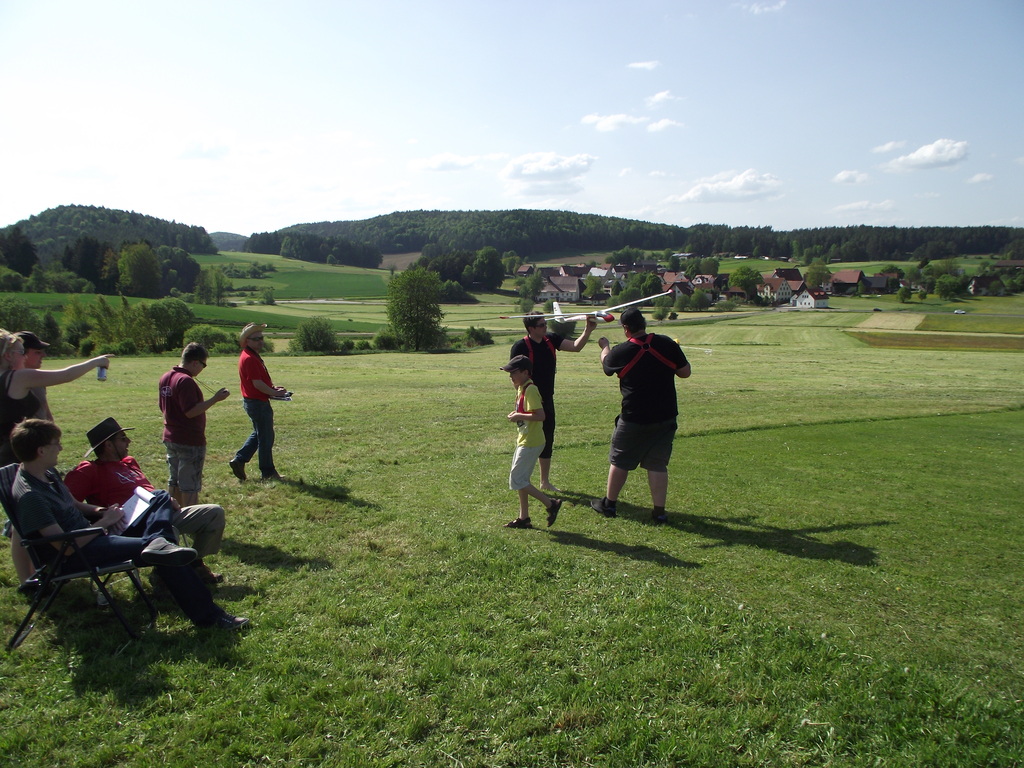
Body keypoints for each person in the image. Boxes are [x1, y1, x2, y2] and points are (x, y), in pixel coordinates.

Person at [8, 419, 247, 630]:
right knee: (162, 555)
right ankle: (210, 617)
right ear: (41, 450)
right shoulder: (32, 496)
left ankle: (159, 541)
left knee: (159, 496)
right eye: (56, 444)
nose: (61, 448)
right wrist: (103, 523)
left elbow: (73, 504)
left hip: (92, 536)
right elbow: (65, 548)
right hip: (78, 552)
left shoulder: (45, 474)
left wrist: (101, 511)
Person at [1, 329, 110, 588]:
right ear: (7, 356)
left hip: (6, 455)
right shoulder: (16, 377)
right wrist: (95, 361)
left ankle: (29, 577)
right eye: (20, 352)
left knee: (19, 521)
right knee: (22, 523)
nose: (23, 357)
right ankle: (31, 577)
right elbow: (64, 375)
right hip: (22, 455)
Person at [64, 417, 228, 584]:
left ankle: (194, 563)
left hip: (161, 513)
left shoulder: (129, 463)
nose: (129, 441)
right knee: (169, 528)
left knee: (214, 513)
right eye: (122, 438)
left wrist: (165, 499)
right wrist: (102, 513)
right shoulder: (89, 470)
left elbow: (147, 491)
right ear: (108, 445)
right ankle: (166, 575)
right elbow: (66, 503)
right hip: (132, 525)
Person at [591, 308, 691, 524]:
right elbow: (685, 372)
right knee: (657, 464)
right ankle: (659, 512)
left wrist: (604, 346)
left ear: (626, 328)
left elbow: (607, 365)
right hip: (665, 415)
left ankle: (609, 504)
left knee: (620, 460)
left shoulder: (621, 351)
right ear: (643, 323)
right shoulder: (666, 343)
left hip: (634, 416)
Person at [510, 313, 596, 493]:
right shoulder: (520, 346)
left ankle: (544, 481)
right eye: (541, 325)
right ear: (531, 328)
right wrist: (520, 402)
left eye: (545, 323)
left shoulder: (551, 340)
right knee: (528, 438)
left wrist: (588, 330)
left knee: (547, 438)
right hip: (530, 398)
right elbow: (514, 377)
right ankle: (522, 478)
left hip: (547, 398)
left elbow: (575, 347)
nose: (545, 327)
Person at [158, 343, 230, 507]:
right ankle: (191, 516)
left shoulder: (166, 377)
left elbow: (162, 407)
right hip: (189, 440)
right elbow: (190, 411)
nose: (202, 369)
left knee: (175, 481)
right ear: (195, 362)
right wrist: (215, 399)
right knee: (189, 485)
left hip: (170, 437)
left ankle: (173, 514)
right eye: (203, 365)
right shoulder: (185, 381)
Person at [500, 355, 561, 529]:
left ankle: (551, 504)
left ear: (526, 373)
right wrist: (517, 414)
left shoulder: (531, 390)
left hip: (532, 442)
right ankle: (524, 518)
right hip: (525, 439)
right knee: (522, 479)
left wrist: (518, 415)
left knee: (516, 479)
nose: (510, 376)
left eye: (513, 372)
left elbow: (541, 416)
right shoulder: (522, 387)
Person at [229, 323, 287, 482]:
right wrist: (275, 393)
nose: (260, 341)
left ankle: (239, 460)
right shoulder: (249, 358)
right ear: (247, 341)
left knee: (261, 433)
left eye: (261, 338)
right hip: (257, 403)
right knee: (266, 438)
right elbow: (257, 384)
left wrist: (273, 388)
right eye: (256, 339)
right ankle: (267, 472)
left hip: (255, 401)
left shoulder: (250, 355)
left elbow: (259, 381)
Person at [16, 331, 53, 421]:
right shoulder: (11, 380)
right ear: (22, 354)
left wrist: (51, 423)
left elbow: (44, 409)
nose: (44, 355)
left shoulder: (37, 377)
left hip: (41, 429)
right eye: (38, 352)